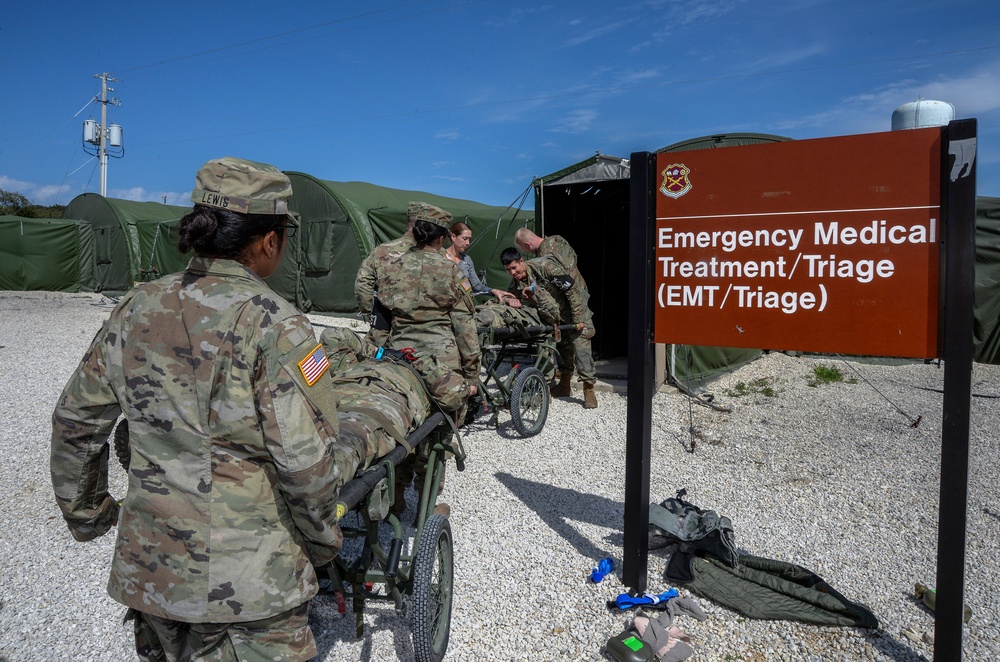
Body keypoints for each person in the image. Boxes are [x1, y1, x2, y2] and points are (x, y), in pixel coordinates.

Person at [50, 157, 363, 661]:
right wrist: (325, 542)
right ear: (269, 240)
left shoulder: (136, 305)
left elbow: (76, 422)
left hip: (153, 571)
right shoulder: (278, 326)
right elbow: (307, 465)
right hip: (250, 587)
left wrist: (88, 513)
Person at [376, 201, 481, 516]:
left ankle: (394, 501)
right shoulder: (451, 271)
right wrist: (472, 377)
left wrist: (378, 358)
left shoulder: (390, 267)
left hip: (397, 360)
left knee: (401, 427)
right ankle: (426, 506)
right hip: (441, 366)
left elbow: (380, 323)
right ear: (441, 238)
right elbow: (466, 330)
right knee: (438, 436)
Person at [501, 246, 598, 408]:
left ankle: (589, 390)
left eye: (514, 267)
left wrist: (579, 318)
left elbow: (572, 290)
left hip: (574, 311)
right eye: (507, 270)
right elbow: (508, 296)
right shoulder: (517, 282)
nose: (512, 272)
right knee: (563, 346)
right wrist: (507, 300)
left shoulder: (545, 267)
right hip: (555, 319)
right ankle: (564, 386)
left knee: (581, 348)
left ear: (522, 261)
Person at [354, 212, 416, 346]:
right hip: (418, 330)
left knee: (375, 359)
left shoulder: (382, 250)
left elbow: (362, 283)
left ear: (406, 223)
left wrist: (368, 311)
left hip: (383, 323)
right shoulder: (438, 255)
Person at [445, 221, 510, 303]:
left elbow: (477, 286)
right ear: (453, 237)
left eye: (469, 239)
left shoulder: (466, 260)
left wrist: (494, 291)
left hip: (463, 307)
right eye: (464, 239)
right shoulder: (440, 257)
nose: (468, 243)